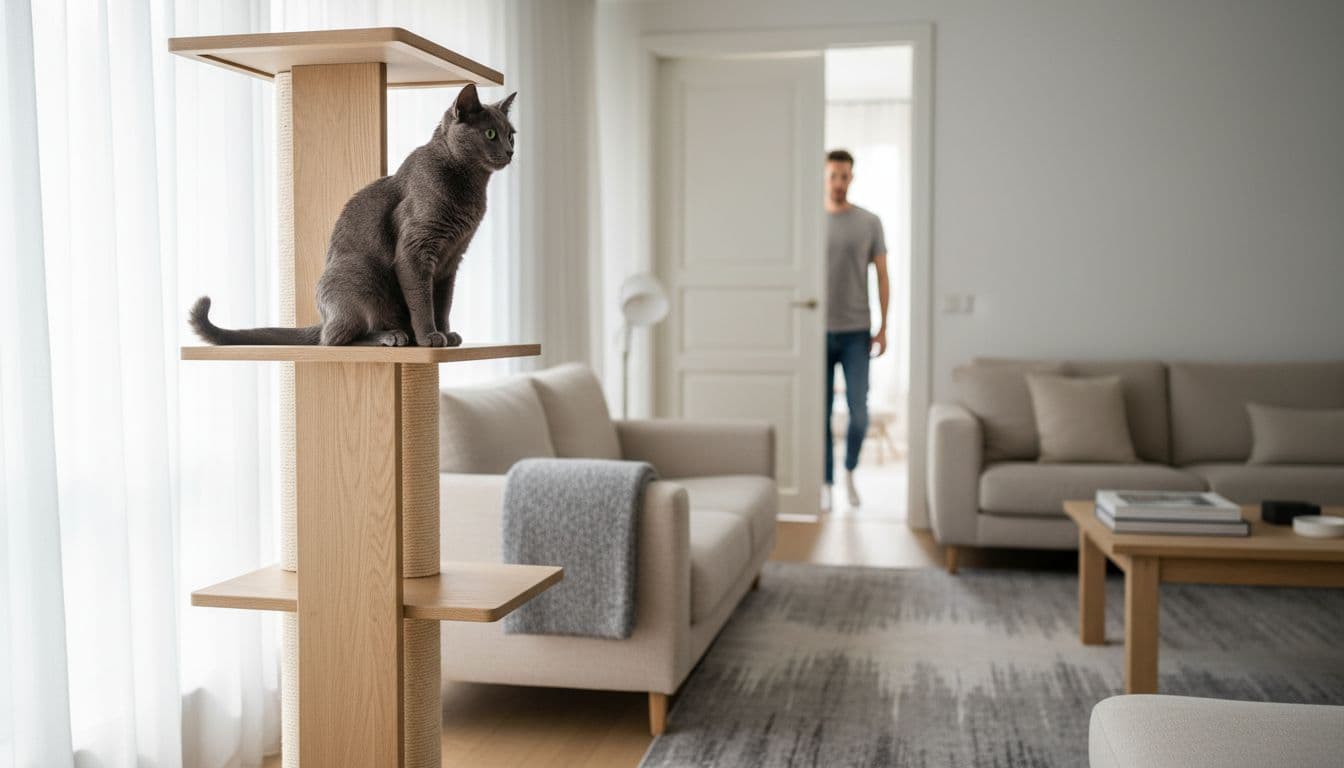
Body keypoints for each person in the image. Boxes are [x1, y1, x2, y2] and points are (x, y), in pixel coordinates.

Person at [822, 149, 888, 511]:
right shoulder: (810, 221)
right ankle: (826, 482)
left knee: (858, 411)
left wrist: (884, 327)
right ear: (825, 176)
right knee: (819, 412)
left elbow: (882, 275)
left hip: (857, 331)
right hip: (816, 333)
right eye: (833, 175)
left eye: (845, 176)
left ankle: (849, 471)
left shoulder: (869, 222)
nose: (839, 183)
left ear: (852, 178)